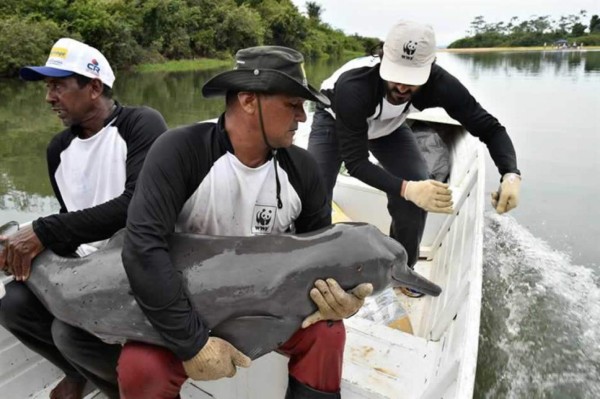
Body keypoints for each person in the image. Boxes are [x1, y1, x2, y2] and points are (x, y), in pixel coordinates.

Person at [118, 46, 373, 399]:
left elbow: (322, 255)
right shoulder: (179, 151)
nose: (302, 117)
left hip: (270, 306)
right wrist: (193, 344)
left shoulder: (304, 169)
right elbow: (142, 251)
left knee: (328, 332)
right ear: (249, 101)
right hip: (189, 303)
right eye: (292, 104)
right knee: (141, 369)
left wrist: (342, 298)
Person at [0, 38, 168, 398]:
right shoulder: (58, 149)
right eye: (48, 87)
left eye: (58, 85)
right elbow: (71, 219)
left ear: (94, 87)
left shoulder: (142, 125)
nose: (49, 98)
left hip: (139, 266)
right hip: (85, 272)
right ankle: (78, 372)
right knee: (13, 304)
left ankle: (121, 386)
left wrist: (42, 229)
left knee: (67, 333)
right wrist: (22, 247)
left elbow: (136, 208)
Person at [308, 20, 521, 270]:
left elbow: (490, 128)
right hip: (334, 120)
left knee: (417, 181)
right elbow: (356, 163)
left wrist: (510, 174)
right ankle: (314, 262)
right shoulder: (354, 86)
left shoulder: (442, 85)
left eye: (412, 80)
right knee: (316, 191)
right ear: (382, 58)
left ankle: (402, 268)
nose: (401, 87)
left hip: (388, 126)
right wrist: (407, 189)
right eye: (395, 76)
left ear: (430, 69)